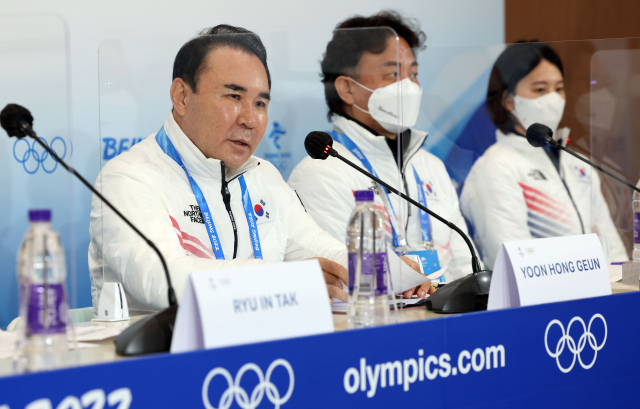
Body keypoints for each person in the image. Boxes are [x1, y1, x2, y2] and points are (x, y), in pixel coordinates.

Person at [88, 25, 353, 314]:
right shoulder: (127, 178)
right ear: (181, 97)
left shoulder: (264, 176)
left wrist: (387, 273)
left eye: (260, 103)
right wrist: (285, 280)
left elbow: (323, 251)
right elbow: (162, 280)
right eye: (234, 97)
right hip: (166, 355)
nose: (250, 120)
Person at [288, 11, 475, 294]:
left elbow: (466, 266)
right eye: (393, 74)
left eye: (413, 74)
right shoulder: (321, 171)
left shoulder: (431, 166)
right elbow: (342, 278)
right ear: (347, 89)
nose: (410, 87)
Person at [459, 42, 628, 268]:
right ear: (508, 99)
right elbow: (515, 259)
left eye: (559, 89)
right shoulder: (495, 167)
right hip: (539, 299)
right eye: (540, 89)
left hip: (597, 295)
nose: (553, 99)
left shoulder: (578, 163)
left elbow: (612, 248)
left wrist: (620, 290)